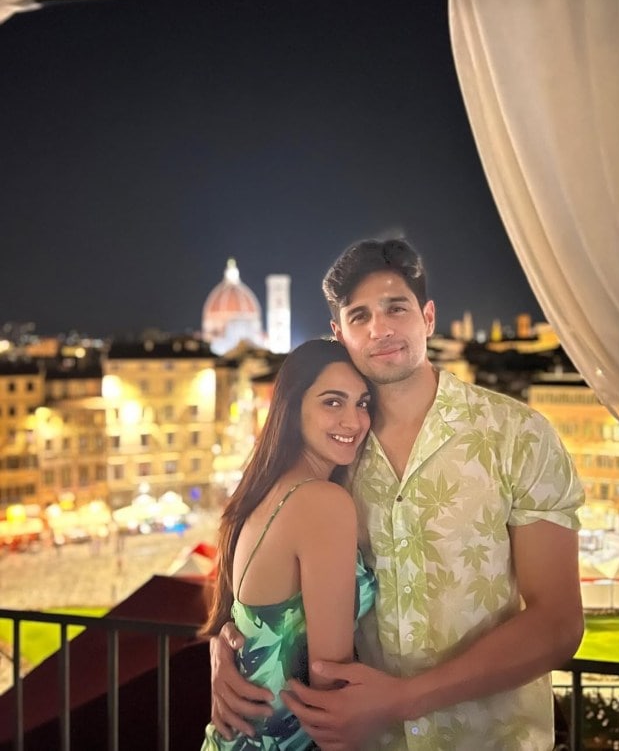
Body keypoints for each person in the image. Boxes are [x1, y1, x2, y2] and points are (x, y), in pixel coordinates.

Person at [210, 238, 585, 751]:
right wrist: (232, 643)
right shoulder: (335, 449)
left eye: (396, 308)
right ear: (339, 334)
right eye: (359, 316)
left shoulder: (518, 435)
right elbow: (271, 557)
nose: (380, 329)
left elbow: (559, 623)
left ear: (428, 317)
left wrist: (406, 699)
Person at [200, 338, 377, 751]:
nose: (353, 421)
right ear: (293, 407)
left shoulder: (267, 492)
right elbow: (331, 685)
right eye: (332, 402)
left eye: (363, 403)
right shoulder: (322, 503)